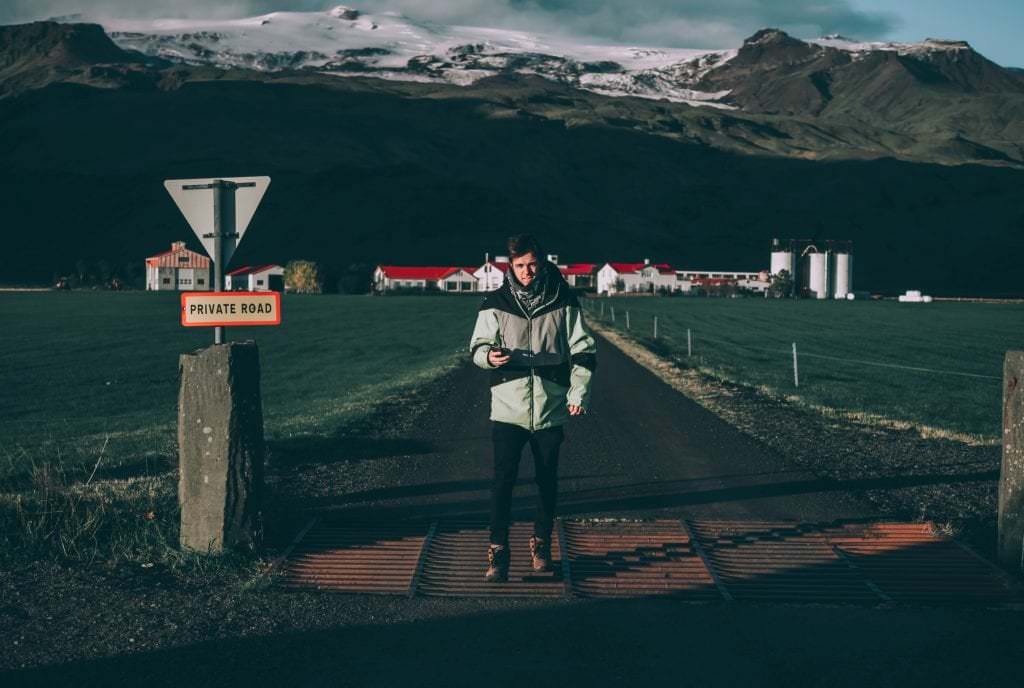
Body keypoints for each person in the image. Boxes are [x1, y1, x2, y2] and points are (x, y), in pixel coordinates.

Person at [469, 234, 597, 582]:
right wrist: (488, 357)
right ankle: (498, 551)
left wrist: (578, 393)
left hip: (550, 406)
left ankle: (541, 543)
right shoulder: (494, 302)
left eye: (531, 264)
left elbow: (584, 350)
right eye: (520, 265)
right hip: (507, 407)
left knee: (546, 482)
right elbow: (477, 346)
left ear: (542, 263)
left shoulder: (564, 301)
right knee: (503, 482)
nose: (526, 271)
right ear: (510, 266)